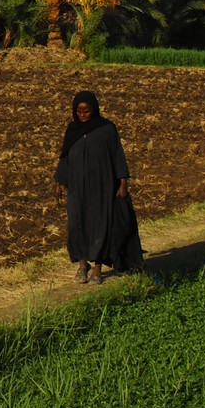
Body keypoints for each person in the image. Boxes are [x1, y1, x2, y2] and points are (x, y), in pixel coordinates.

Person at [53, 89, 143, 284]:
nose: (83, 115)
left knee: (101, 225)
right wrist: (59, 182)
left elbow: (117, 155)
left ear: (94, 109)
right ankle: (82, 265)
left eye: (86, 111)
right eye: (79, 111)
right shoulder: (72, 130)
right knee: (77, 225)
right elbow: (65, 156)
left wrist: (123, 182)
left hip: (102, 186)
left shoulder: (106, 129)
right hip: (77, 188)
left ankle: (97, 268)